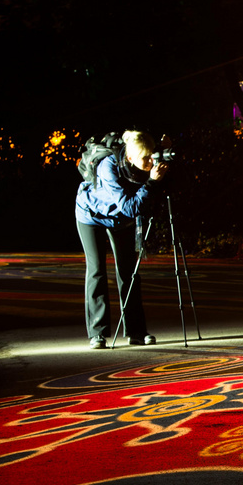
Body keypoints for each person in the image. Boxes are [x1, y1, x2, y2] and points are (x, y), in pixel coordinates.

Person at [75, 130, 167, 348]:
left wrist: (164, 151)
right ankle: (97, 333)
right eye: (145, 158)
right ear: (130, 157)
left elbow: (131, 206)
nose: (150, 162)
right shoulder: (109, 167)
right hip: (91, 215)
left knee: (129, 271)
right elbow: (129, 207)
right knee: (97, 269)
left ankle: (136, 331)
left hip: (120, 220)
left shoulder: (144, 161)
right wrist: (152, 182)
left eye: (152, 156)